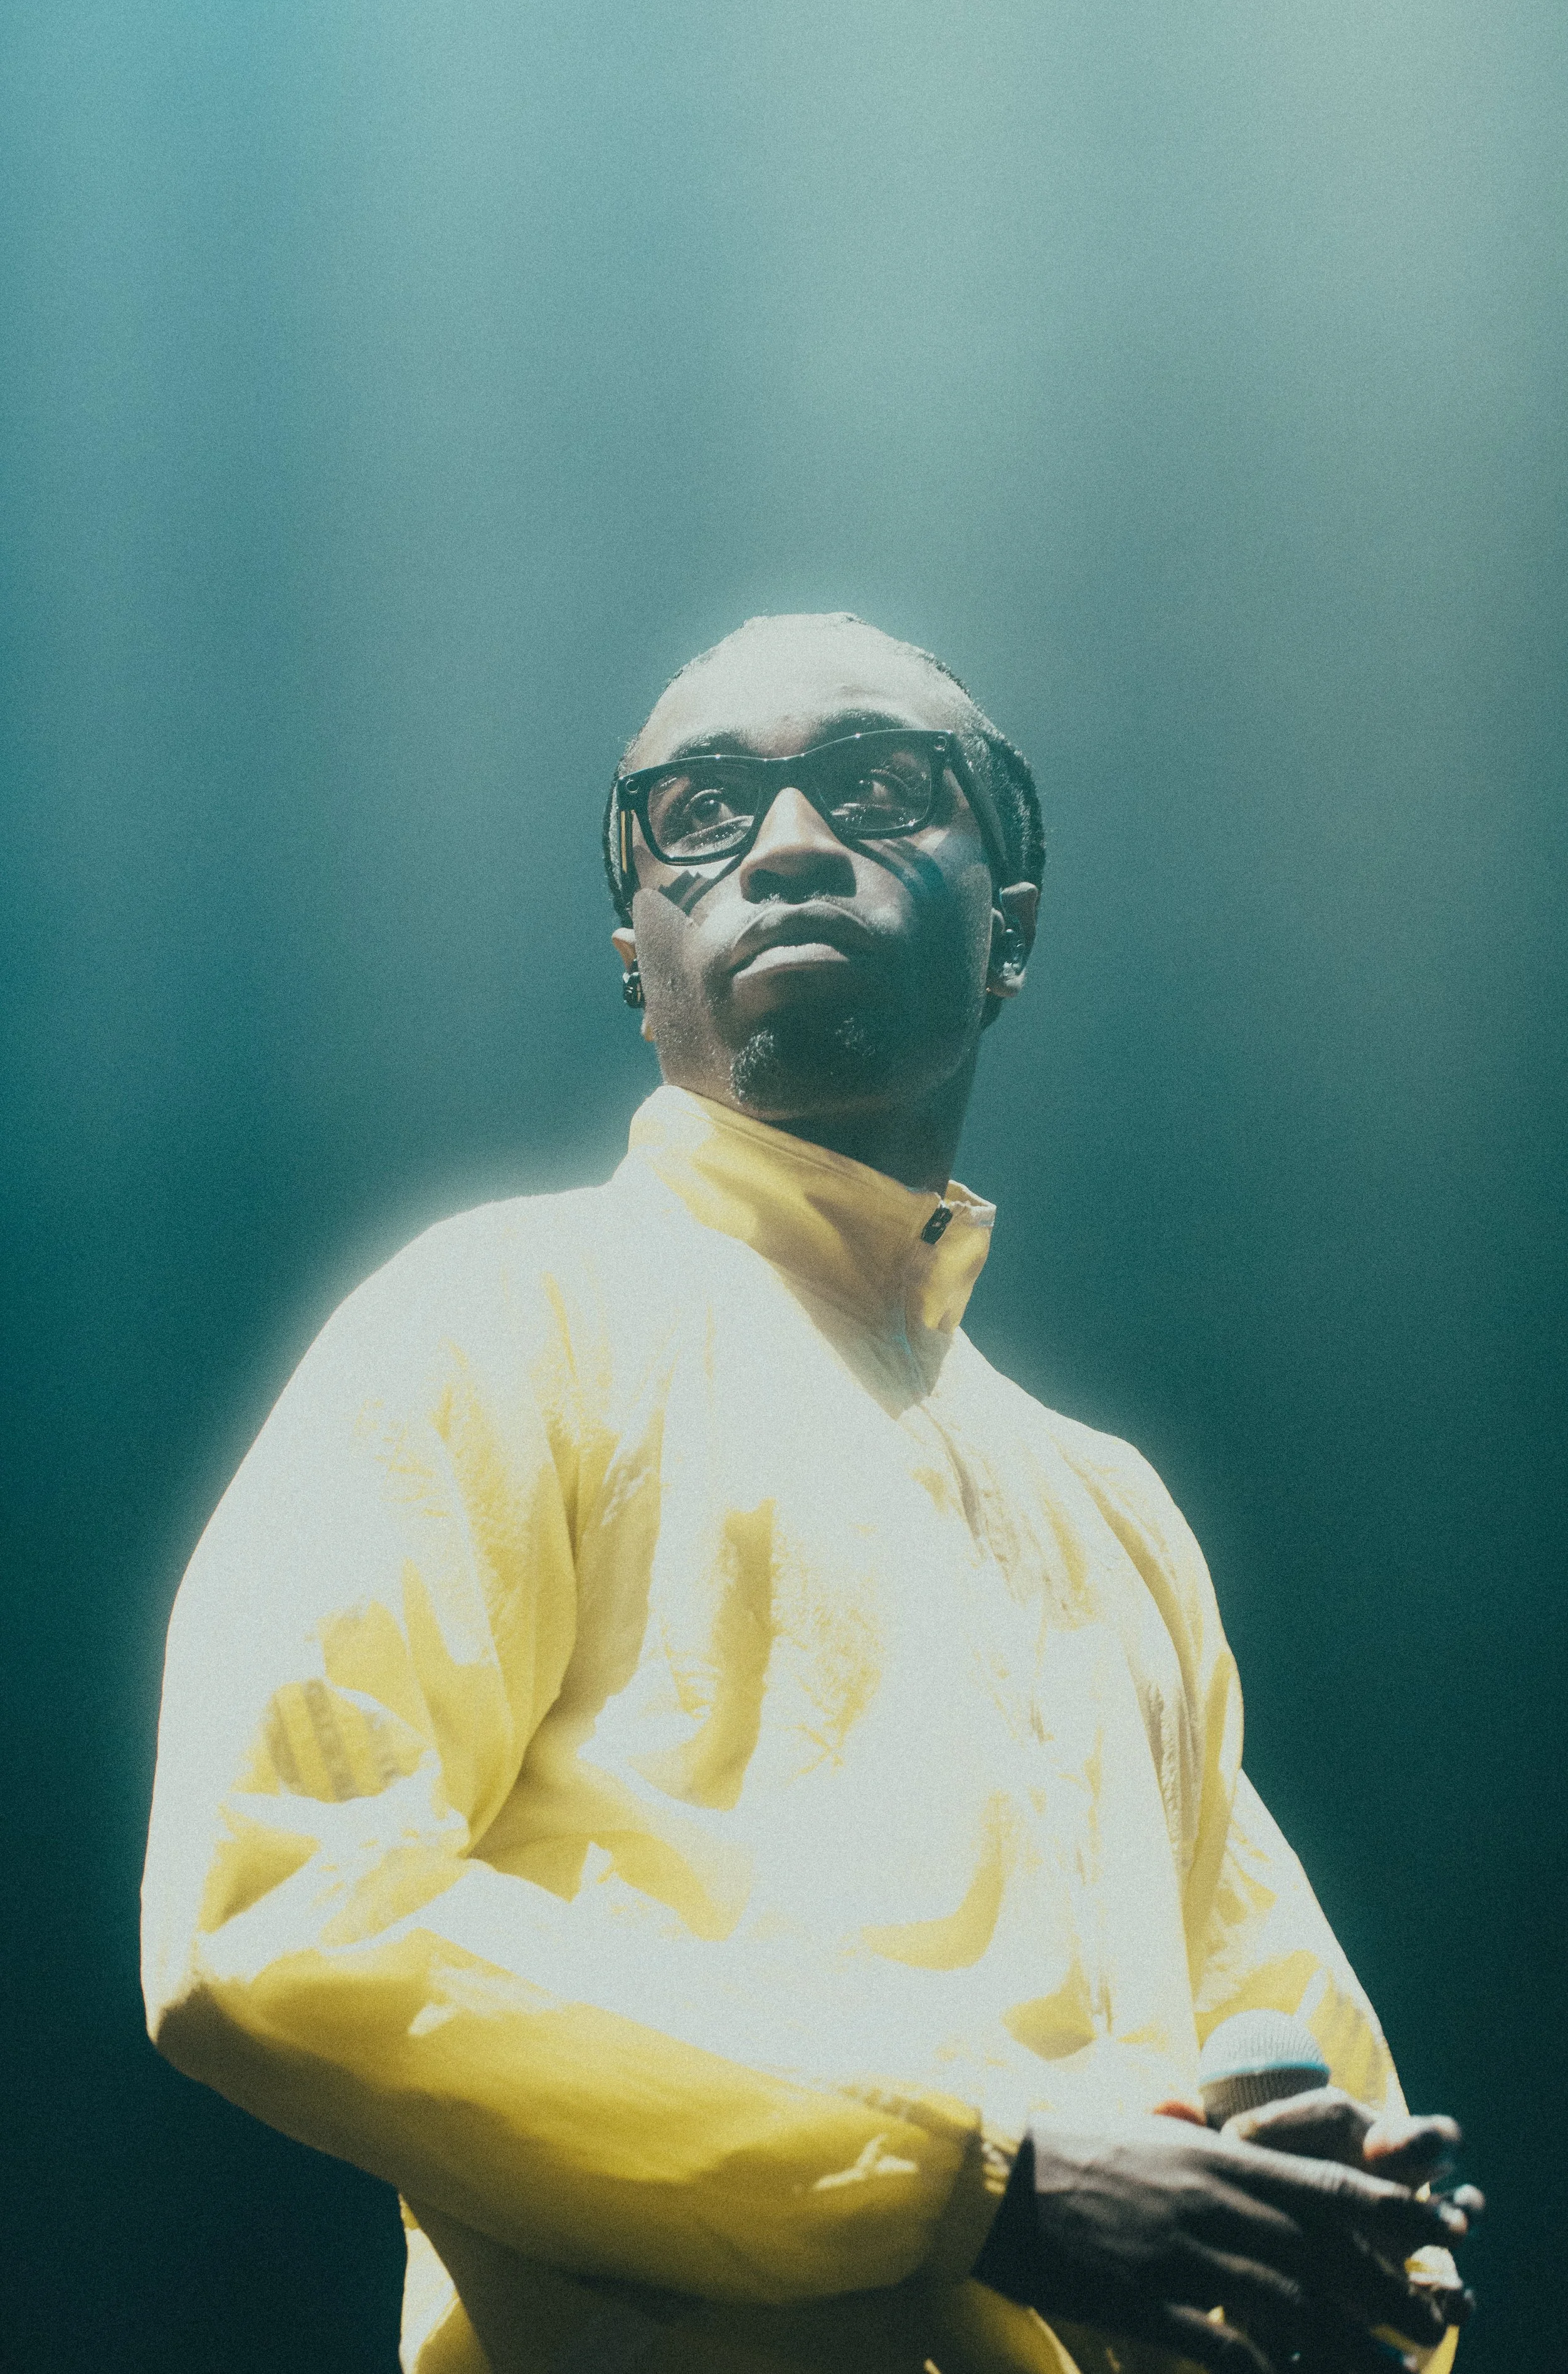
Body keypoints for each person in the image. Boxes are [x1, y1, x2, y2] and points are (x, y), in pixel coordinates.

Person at [142, 613, 1480, 2374]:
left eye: (875, 786)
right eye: (698, 812)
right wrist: (983, 2177)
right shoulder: (487, 1321)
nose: (782, 843)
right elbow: (278, 1912)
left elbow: (1303, 2088)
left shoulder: (1110, 1513)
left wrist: (1356, 2242)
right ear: (637, 953)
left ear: (1006, 924)